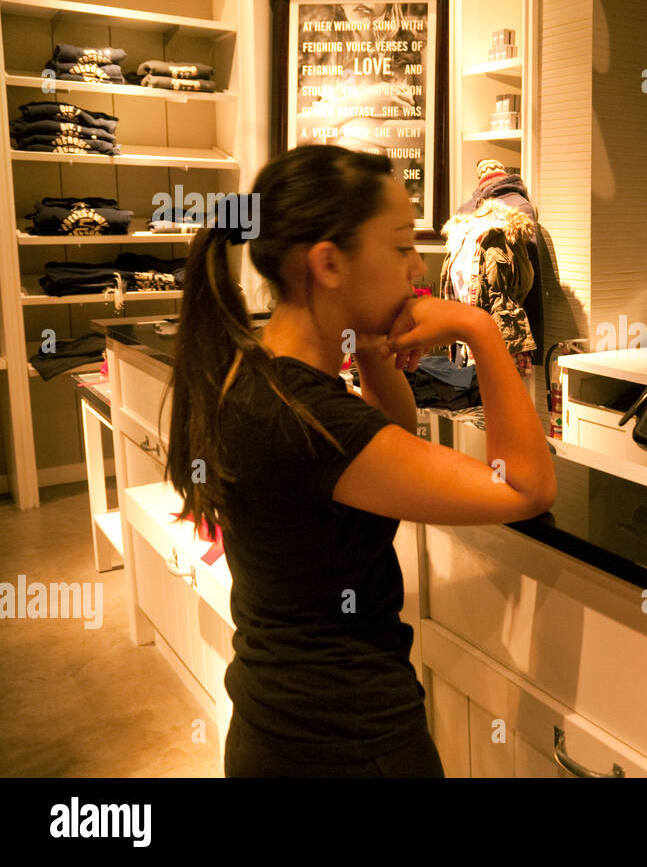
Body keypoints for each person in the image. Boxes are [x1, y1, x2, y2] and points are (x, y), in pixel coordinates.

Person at [165, 145, 556, 777]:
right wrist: (481, 331)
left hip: (274, 726)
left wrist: (371, 349)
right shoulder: (309, 422)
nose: (416, 267)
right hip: (348, 745)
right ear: (328, 263)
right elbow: (528, 488)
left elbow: (387, 440)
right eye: (401, 246)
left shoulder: (253, 371)